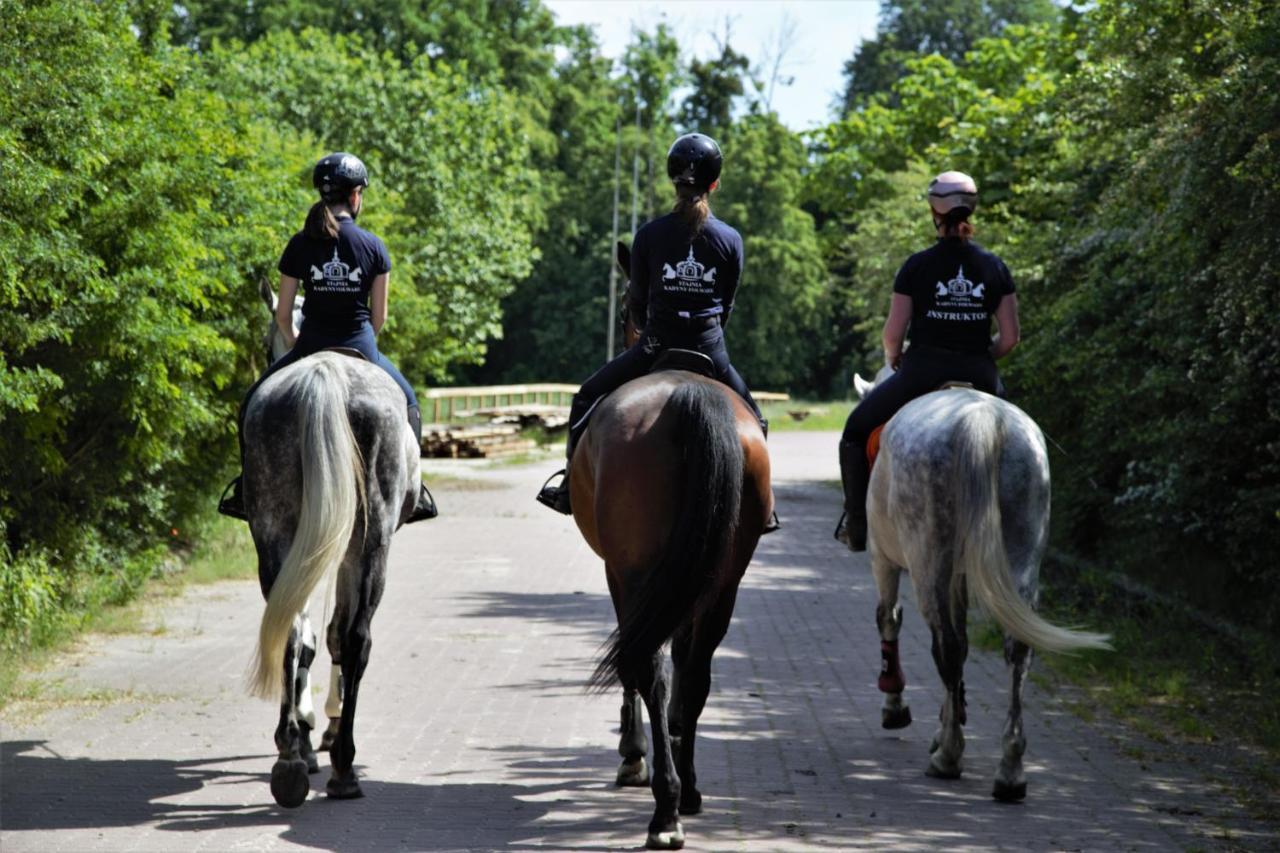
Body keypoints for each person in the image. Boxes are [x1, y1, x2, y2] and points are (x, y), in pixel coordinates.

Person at [537, 132, 774, 530]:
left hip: (654, 347)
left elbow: (640, 305)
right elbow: (727, 305)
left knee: (586, 398)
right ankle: (764, 507)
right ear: (714, 183)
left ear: (673, 181)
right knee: (757, 420)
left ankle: (566, 489)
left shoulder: (648, 235)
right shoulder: (731, 239)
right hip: (711, 351)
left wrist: (653, 328)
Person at [218, 152, 436, 523]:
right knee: (409, 404)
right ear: (354, 196)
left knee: (252, 402)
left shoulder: (300, 244)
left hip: (309, 345)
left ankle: (245, 488)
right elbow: (379, 318)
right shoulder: (373, 246)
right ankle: (415, 491)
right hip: (362, 347)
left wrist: (295, 337)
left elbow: (283, 315)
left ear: (324, 195)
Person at [835, 170, 1020, 551]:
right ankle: (1016, 533)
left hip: (921, 372)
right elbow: (1011, 337)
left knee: (855, 433)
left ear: (934, 212)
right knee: (1018, 443)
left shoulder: (916, 266)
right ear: (972, 209)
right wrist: (984, 355)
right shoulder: (995, 267)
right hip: (981, 374)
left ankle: (857, 526)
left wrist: (895, 357)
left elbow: (892, 334)